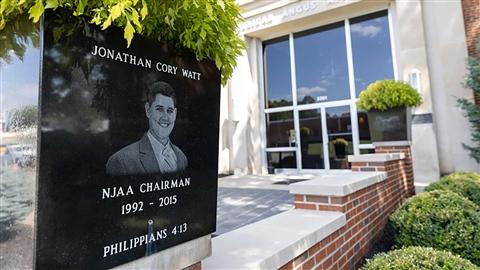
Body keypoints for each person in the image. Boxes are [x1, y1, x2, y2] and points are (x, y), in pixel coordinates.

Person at [106, 81, 188, 176]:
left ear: (175, 114)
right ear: (148, 110)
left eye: (169, 111)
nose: (165, 117)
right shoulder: (121, 161)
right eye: (159, 109)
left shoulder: (181, 157)